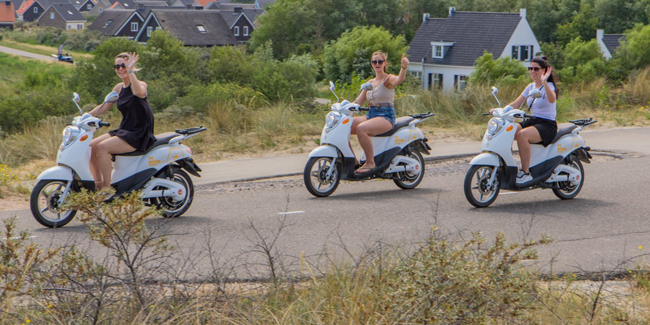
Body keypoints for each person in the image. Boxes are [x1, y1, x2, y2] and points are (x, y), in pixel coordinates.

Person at [87, 52, 156, 190]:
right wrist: (84, 116)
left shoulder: (140, 84)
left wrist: (131, 71)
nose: (120, 69)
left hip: (138, 133)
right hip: (125, 130)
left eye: (123, 65)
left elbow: (139, 93)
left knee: (102, 148)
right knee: (90, 146)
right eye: (117, 66)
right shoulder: (118, 88)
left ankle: (107, 189)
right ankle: (98, 185)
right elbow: (104, 106)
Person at [494, 56, 558, 184]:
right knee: (507, 130)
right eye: (530, 68)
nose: (532, 71)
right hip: (533, 120)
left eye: (536, 69)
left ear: (544, 71)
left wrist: (544, 81)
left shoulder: (549, 86)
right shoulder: (530, 87)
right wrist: (500, 110)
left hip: (547, 124)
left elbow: (552, 99)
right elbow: (516, 104)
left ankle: (525, 172)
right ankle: (506, 166)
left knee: (522, 135)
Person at [350, 51, 409, 176]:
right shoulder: (369, 82)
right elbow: (358, 102)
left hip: (385, 116)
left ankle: (370, 163)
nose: (377, 64)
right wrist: (341, 107)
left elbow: (399, 80)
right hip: (370, 114)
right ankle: (353, 161)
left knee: (361, 129)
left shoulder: (388, 79)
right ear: (371, 64)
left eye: (380, 61)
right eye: (374, 61)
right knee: (344, 126)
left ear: (384, 63)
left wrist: (403, 67)